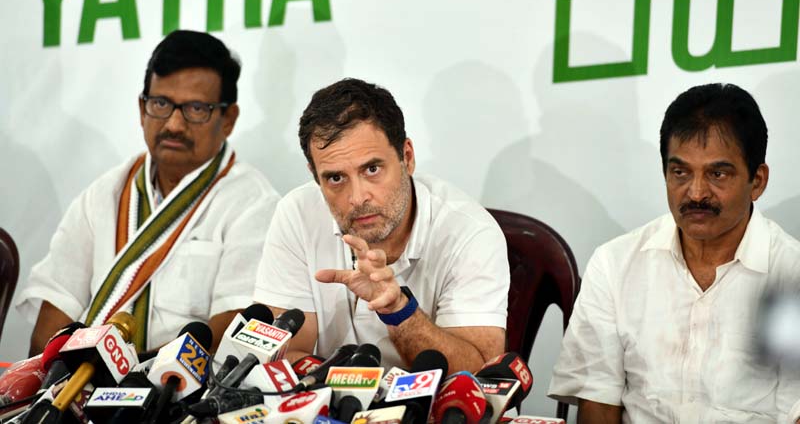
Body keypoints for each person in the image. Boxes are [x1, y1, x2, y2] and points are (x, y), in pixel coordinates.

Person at [548, 83, 800, 423]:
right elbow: (599, 404)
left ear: (757, 181)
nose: (696, 193)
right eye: (680, 172)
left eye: (717, 174)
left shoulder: (791, 279)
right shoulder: (616, 265)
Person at [17, 30, 280, 354]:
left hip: (178, 396)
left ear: (228, 119)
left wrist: (129, 380)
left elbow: (229, 335)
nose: (173, 124)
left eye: (196, 109)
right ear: (142, 109)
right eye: (161, 104)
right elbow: (51, 324)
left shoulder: (254, 205)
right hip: (78, 389)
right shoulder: (104, 195)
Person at [253, 78, 509, 372]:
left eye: (372, 169)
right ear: (315, 176)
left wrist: (398, 310)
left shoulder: (470, 233)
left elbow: (476, 375)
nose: (357, 198)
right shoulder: (297, 214)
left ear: (407, 158)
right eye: (335, 178)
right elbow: (286, 353)